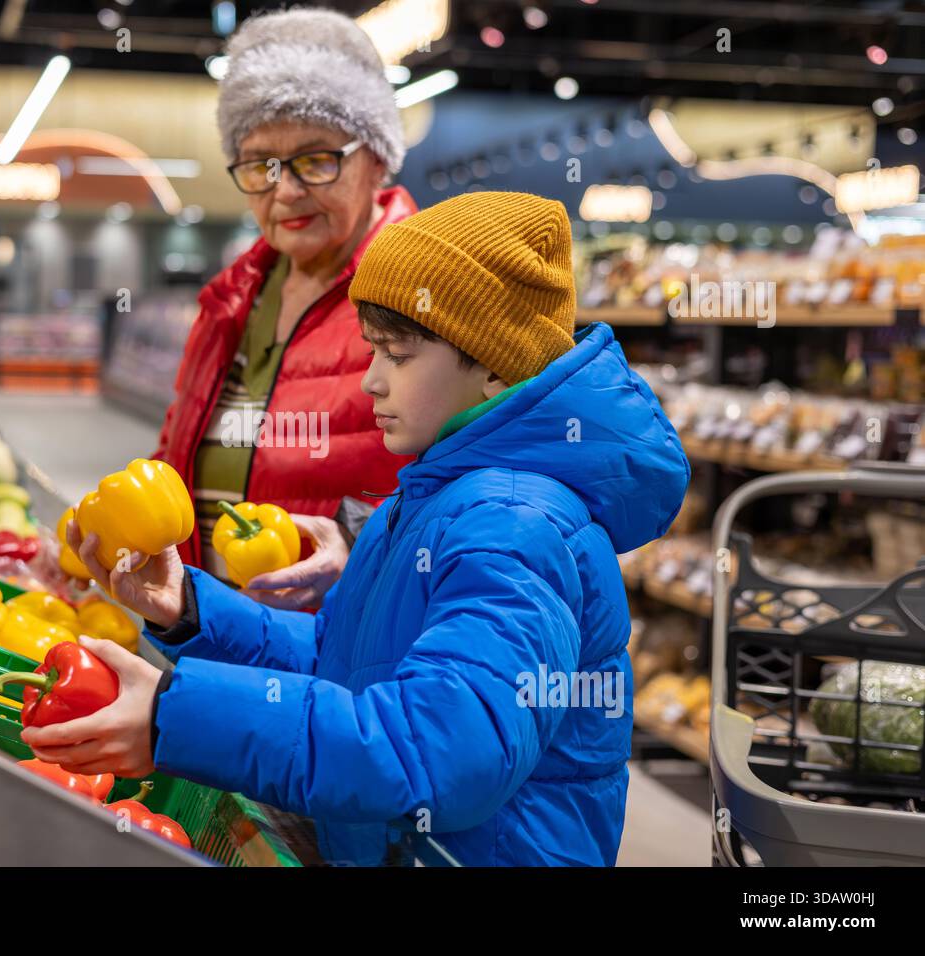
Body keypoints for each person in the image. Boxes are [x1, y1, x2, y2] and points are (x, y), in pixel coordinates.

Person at [42, 192, 690, 866]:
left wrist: (175, 715)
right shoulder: (435, 496)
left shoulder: (514, 529)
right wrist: (192, 609)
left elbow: (436, 751)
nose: (370, 383)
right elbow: (338, 663)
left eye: (399, 356)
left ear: (494, 364)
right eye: (371, 352)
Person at [151, 8, 417, 604]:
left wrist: (362, 541)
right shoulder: (231, 297)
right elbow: (179, 444)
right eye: (261, 165)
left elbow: (490, 484)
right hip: (215, 629)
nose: (287, 191)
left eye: (317, 159)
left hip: (348, 648)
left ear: (376, 155)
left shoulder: (431, 292)